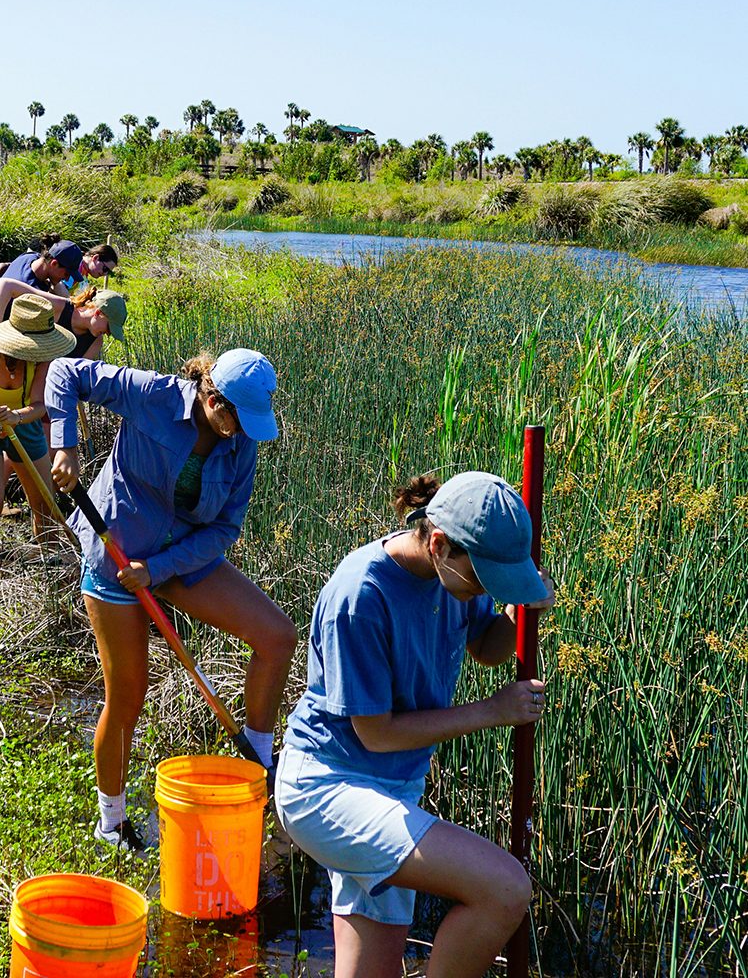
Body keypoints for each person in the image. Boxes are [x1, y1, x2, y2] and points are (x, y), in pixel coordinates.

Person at [275, 471, 556, 978]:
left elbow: (485, 647)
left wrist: (518, 610)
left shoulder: (452, 577)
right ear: (440, 543)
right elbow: (376, 733)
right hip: (326, 787)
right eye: (484, 578)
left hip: (394, 788)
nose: (483, 591)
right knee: (504, 889)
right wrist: (490, 712)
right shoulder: (361, 595)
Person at [48, 349, 298, 852]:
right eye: (233, 417)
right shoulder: (154, 395)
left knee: (278, 636)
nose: (238, 431)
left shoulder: (241, 442)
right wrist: (65, 447)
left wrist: (159, 570)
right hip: (116, 555)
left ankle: (258, 765)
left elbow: (225, 527)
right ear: (210, 397)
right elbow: (64, 372)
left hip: (179, 560)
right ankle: (111, 822)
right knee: (128, 694)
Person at [0, 294, 76, 585]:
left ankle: (51, 565)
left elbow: (39, 405)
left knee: (45, 502)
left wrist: (16, 417)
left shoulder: (42, 362)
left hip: (24, 428)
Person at [0, 238, 85, 349]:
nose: (67, 278)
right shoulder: (28, 290)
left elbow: (54, 284)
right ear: (54, 263)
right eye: (66, 274)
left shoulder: (30, 258)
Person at [0, 276, 128, 362]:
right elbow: (7, 285)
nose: (108, 333)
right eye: (109, 327)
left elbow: (75, 374)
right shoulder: (59, 308)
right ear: (98, 313)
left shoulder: (95, 342)